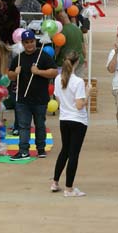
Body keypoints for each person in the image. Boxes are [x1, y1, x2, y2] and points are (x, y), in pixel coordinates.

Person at [8, 30, 58, 160]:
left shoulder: (43, 56)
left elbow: (54, 72)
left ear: (35, 41)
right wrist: (15, 73)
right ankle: (23, 151)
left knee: (40, 125)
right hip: (22, 99)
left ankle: (41, 149)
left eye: (31, 41)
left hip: (40, 99)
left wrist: (38, 71)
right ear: (22, 43)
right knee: (23, 126)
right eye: (26, 42)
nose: (29, 44)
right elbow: (9, 75)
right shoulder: (18, 58)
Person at [50, 51, 89, 197]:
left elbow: (59, 100)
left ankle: (55, 182)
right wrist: (88, 93)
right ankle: (69, 188)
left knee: (64, 150)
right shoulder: (78, 82)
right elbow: (80, 105)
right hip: (78, 120)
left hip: (64, 119)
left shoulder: (58, 79)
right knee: (73, 154)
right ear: (76, 62)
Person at [55, 10, 86, 77]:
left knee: (64, 84)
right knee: (77, 82)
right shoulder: (78, 29)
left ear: (60, 18)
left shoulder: (61, 32)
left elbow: (57, 49)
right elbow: (83, 48)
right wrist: (84, 59)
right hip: (79, 61)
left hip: (65, 62)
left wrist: (53, 58)